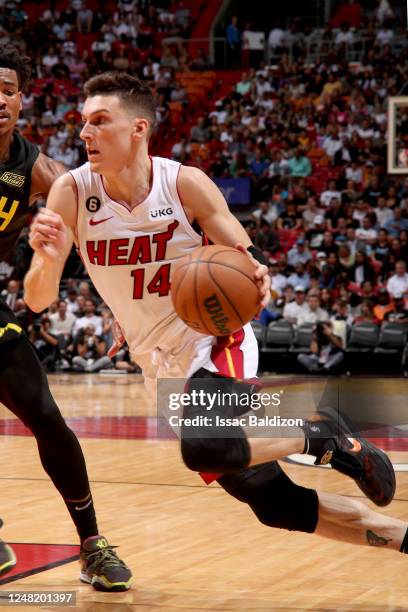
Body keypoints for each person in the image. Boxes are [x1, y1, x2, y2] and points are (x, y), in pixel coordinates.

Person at [25, 72, 407, 566]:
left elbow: (243, 254)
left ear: (138, 128)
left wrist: (255, 270)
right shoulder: (72, 193)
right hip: (156, 362)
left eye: (100, 121)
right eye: (83, 123)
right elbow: (38, 300)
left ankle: (323, 431)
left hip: (211, 338)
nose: (85, 134)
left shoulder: (184, 184)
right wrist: (46, 255)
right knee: (274, 504)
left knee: (206, 447)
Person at [0, 46, 131, 590]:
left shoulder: (36, 169)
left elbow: (90, 224)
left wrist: (124, 304)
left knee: (46, 417)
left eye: (6, 89)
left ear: (22, 101)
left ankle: (92, 545)